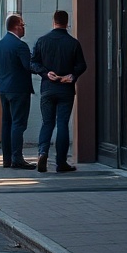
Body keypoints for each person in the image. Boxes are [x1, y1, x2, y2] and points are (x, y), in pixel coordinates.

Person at [30, 10, 87, 173]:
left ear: (53, 21)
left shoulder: (42, 41)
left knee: (47, 122)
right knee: (62, 123)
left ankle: (42, 152)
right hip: (65, 89)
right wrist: (72, 75)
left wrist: (45, 73)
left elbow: (32, 63)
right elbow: (82, 65)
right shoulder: (73, 43)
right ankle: (61, 162)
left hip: (48, 87)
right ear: (67, 22)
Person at [0, 14, 36, 170]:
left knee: (6, 123)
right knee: (18, 123)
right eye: (23, 25)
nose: (24, 28)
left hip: (3, 89)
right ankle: (17, 158)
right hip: (19, 89)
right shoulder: (20, 46)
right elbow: (28, 66)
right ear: (17, 26)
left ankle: (7, 159)